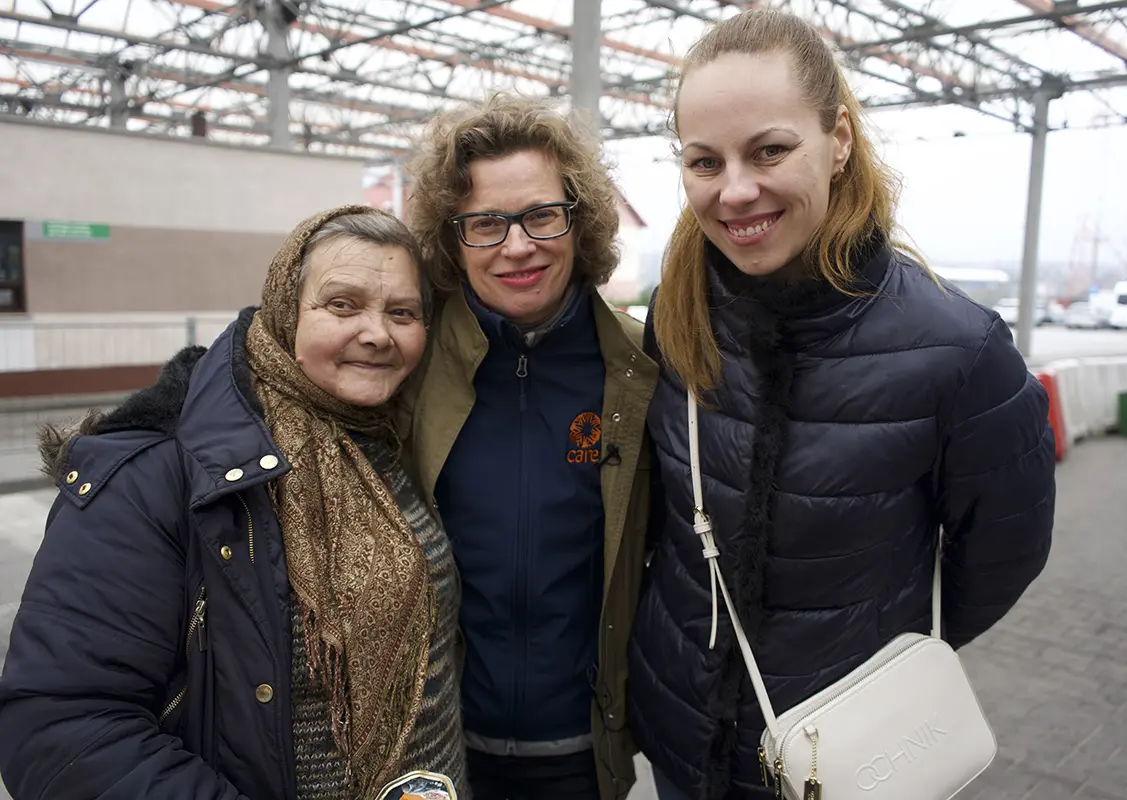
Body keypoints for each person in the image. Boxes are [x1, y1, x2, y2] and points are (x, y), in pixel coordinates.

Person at [628, 10, 1056, 800]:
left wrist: (878, 665)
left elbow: (1002, 554)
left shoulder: (959, 351)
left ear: (840, 143)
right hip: (683, 736)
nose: (735, 190)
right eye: (703, 161)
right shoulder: (678, 313)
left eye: (770, 150)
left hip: (845, 753)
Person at [0, 206, 470, 800]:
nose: (378, 333)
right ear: (284, 309)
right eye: (342, 305)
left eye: (402, 312)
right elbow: (60, 728)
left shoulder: (391, 441)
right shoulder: (158, 474)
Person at [402, 94, 659, 800]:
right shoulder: (407, 369)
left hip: (583, 751)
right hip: (436, 746)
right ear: (451, 239)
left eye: (542, 215)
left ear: (580, 223)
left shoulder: (640, 372)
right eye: (485, 223)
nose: (518, 246)